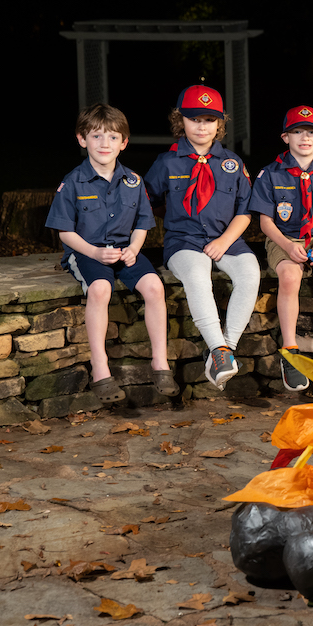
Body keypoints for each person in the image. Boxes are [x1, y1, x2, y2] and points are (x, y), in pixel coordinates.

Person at [45, 103, 179, 403]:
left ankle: (160, 363)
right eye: (96, 136)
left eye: (113, 137)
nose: (104, 143)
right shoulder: (72, 183)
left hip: (124, 251)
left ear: (124, 142)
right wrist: (93, 251)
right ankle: (100, 369)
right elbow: (65, 232)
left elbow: (143, 224)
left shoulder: (133, 181)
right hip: (87, 253)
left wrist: (134, 249)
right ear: (82, 140)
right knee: (101, 289)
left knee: (155, 287)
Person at [144, 85, 261, 391]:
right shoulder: (167, 162)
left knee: (250, 274)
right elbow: (147, 200)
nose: (201, 126)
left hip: (228, 239)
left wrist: (224, 241)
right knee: (198, 276)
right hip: (184, 241)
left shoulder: (232, 163)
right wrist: (174, 220)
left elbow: (245, 210)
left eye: (209, 120)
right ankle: (219, 349)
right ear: (180, 120)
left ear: (219, 124)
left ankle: (224, 351)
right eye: (194, 118)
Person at [252, 105, 313, 391]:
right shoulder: (270, 174)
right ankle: (290, 350)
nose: (305, 138)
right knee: (290, 277)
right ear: (286, 137)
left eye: (312, 132)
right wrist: (286, 244)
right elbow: (266, 222)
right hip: (283, 239)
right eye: (297, 131)